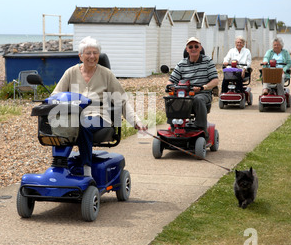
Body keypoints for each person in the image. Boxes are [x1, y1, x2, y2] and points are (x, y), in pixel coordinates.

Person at [52, 36, 147, 177]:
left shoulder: (106, 74)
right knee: (58, 126)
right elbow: (55, 95)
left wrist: (136, 121)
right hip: (74, 116)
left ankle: (86, 169)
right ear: (80, 56)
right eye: (88, 53)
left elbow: (122, 100)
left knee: (83, 124)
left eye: (95, 53)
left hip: (99, 117)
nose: (92, 56)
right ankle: (58, 168)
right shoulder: (70, 72)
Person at [167, 37, 219, 137]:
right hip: (184, 94)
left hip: (202, 93)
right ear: (187, 49)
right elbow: (170, 81)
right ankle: (173, 125)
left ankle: (202, 128)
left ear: (200, 48)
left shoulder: (208, 61)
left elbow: (215, 81)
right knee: (170, 99)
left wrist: (203, 87)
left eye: (196, 46)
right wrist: (170, 86)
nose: (193, 48)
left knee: (198, 99)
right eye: (190, 47)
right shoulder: (181, 64)